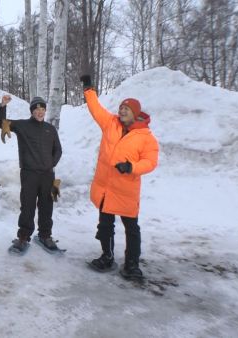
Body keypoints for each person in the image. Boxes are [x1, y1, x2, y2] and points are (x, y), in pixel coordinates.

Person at [80, 75, 159, 279]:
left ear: (136, 113)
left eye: (127, 109)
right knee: (105, 225)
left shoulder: (146, 137)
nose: (122, 111)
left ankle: (132, 264)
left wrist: (132, 166)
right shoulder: (111, 124)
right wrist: (89, 89)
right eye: (121, 108)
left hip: (126, 189)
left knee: (131, 228)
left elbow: (150, 162)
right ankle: (107, 256)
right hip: (106, 186)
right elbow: (95, 109)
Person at [0, 94, 62, 254]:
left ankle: (45, 236)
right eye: (37, 109)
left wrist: (50, 164)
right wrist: (2, 106)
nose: (40, 112)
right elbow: (2, 123)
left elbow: (58, 150)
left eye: (42, 109)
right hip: (29, 174)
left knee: (47, 206)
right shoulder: (23, 125)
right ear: (32, 111)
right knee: (28, 206)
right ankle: (23, 237)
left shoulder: (50, 129)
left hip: (47, 175)